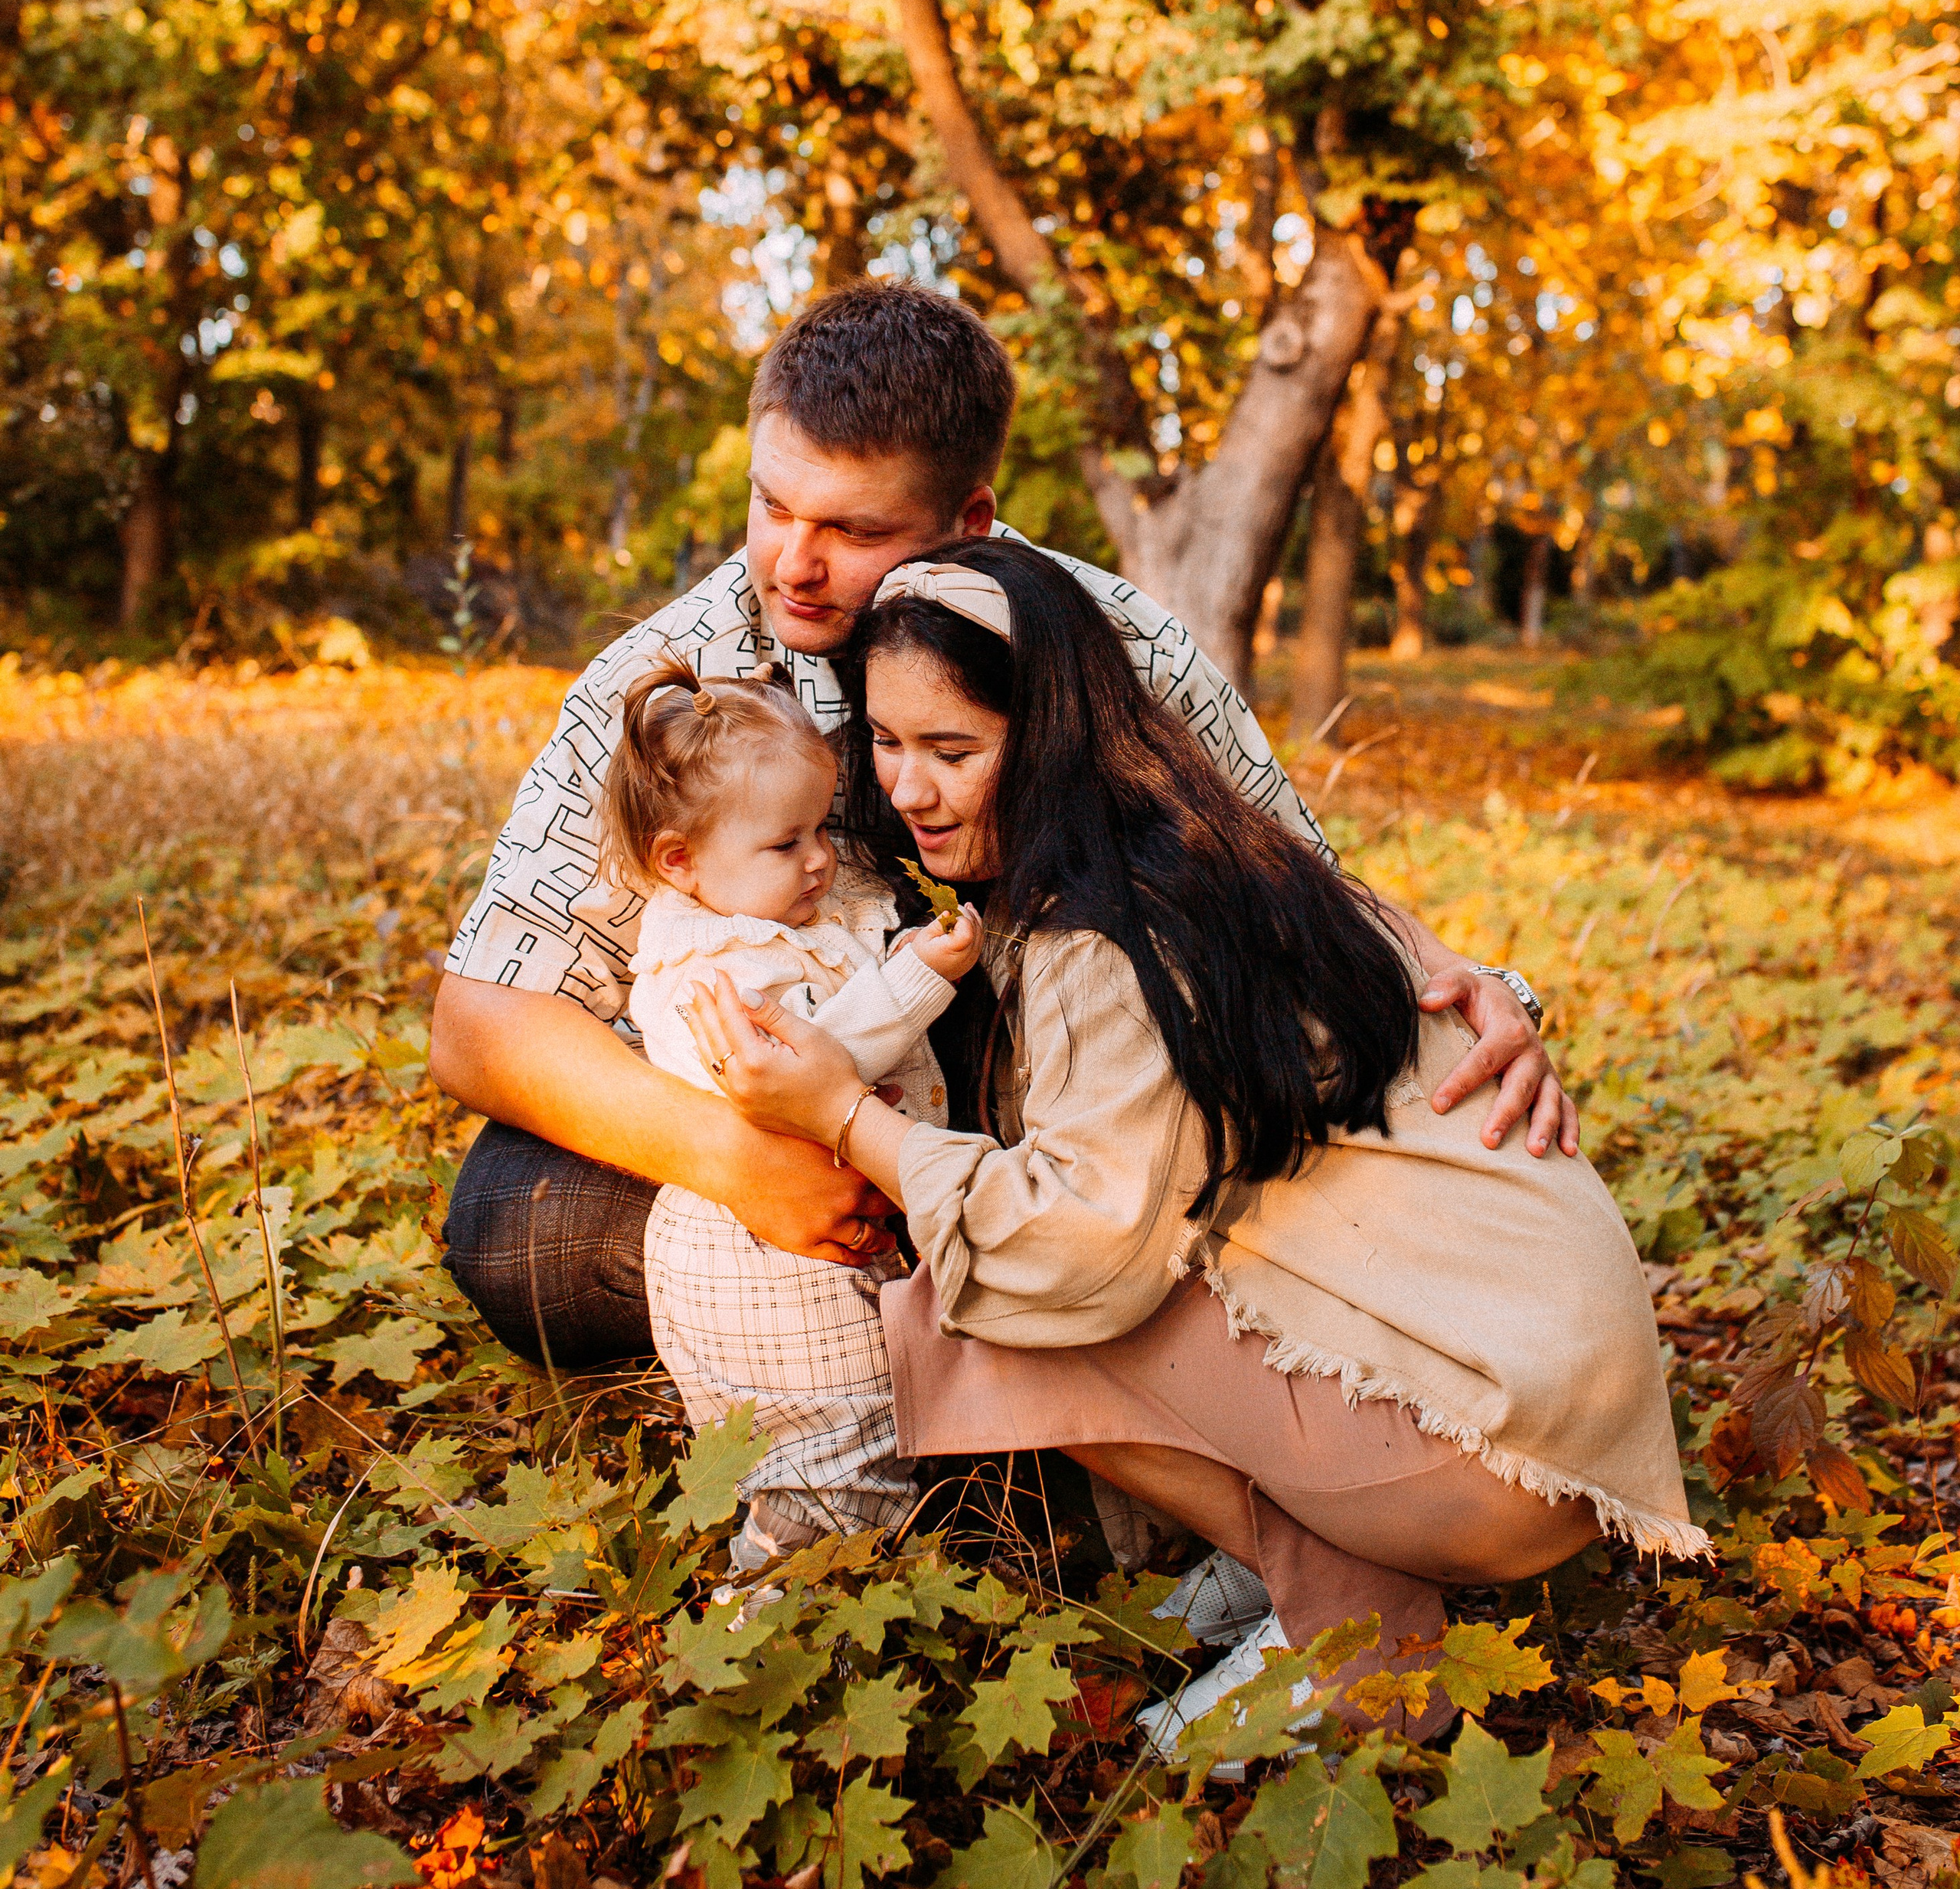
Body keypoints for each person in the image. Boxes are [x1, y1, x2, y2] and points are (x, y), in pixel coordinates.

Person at [432, 281, 1573, 1371]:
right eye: (772, 504)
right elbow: (482, 1020)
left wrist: (1463, 982)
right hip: (777, 1105)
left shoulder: (1115, 646)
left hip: (1062, 1120)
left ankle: (1027, 1355)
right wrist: (737, 1163)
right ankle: (927, 1352)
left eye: (853, 529)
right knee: (510, 1227)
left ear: (969, 517)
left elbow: (1285, 882)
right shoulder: (667, 685)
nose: (794, 562)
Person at [677, 541, 1701, 1742]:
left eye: (953, 751)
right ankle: (1314, 1569)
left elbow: (1069, 1242)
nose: (906, 790)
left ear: (1053, 738)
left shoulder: (1101, 939)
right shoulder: (1217, 849)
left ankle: (1355, 1635)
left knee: (983, 1297)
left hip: (1494, 1452)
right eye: (889, 746)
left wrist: (840, 1116)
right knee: (1043, 1243)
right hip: (1549, 1386)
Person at [599, 651, 981, 1568]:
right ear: (680, 862)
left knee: (870, 1430)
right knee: (829, 1459)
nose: (819, 859)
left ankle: (841, 1595)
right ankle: (767, 1633)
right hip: (764, 1254)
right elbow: (799, 1070)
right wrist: (916, 979)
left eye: (819, 828)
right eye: (785, 844)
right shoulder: (707, 971)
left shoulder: (770, 918)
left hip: (821, 1235)